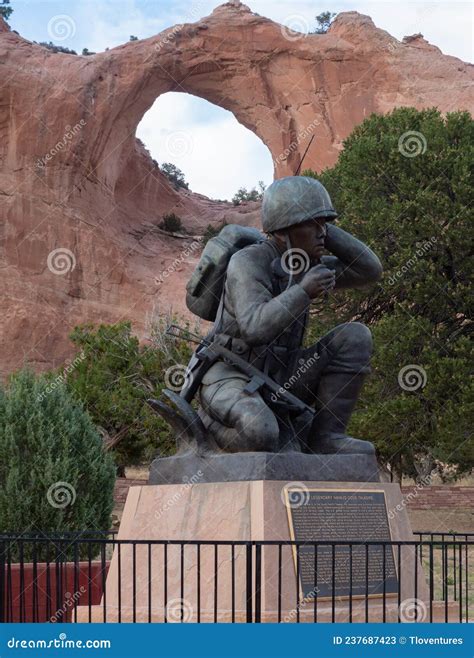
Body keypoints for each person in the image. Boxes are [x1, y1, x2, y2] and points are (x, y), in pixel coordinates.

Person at [196, 175, 383, 455]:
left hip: (284, 375)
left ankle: (327, 438)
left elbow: (369, 270)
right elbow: (254, 327)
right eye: (313, 225)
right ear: (282, 231)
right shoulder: (248, 262)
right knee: (261, 433)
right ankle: (205, 428)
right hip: (231, 373)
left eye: (326, 224)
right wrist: (304, 291)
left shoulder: (309, 263)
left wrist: (320, 225)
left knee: (355, 337)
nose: (322, 232)